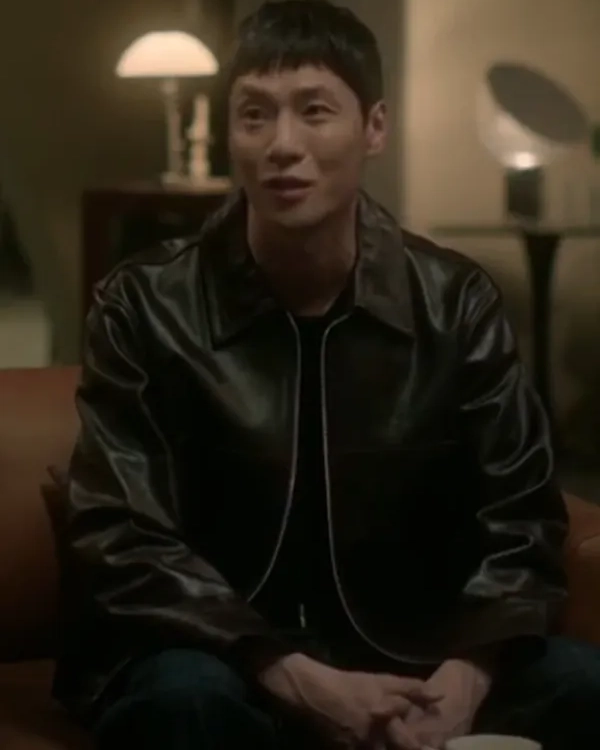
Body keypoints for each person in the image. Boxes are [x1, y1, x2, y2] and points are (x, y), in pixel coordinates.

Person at [53, 2, 600, 749]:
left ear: (374, 128)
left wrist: (469, 676)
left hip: (412, 649)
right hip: (216, 654)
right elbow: (120, 534)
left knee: (583, 686)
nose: (283, 145)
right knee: (184, 705)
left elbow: (523, 517)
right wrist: (288, 672)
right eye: (255, 115)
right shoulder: (145, 305)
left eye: (314, 111)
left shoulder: (454, 304)